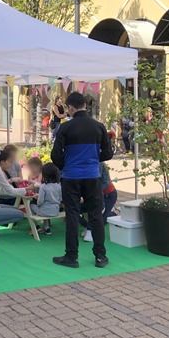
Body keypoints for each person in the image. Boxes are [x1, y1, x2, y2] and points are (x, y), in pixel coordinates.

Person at [51, 91, 113, 269]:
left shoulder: (65, 128)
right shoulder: (99, 126)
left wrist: (66, 165)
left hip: (71, 177)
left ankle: (72, 257)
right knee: (96, 216)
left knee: (72, 215)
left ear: (70, 107)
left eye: (67, 109)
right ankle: (100, 256)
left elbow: (55, 155)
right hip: (93, 176)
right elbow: (108, 153)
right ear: (84, 105)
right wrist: (92, 159)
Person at [0, 150, 27, 239]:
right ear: (2, 162)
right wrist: (27, 189)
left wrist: (11, 180)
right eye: (9, 162)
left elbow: (2, 189)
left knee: (15, 209)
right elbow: (11, 191)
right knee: (20, 215)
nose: (10, 165)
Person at [79, 162, 118, 243]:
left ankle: (114, 213)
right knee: (73, 211)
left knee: (100, 218)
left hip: (108, 194)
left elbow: (98, 183)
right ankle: (89, 226)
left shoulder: (99, 162)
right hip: (93, 195)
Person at [29, 163, 62, 235]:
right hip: (55, 211)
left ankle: (36, 226)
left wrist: (37, 198)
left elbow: (40, 202)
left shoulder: (43, 186)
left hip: (44, 211)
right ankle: (46, 228)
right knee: (44, 207)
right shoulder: (58, 186)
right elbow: (60, 199)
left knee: (31, 205)